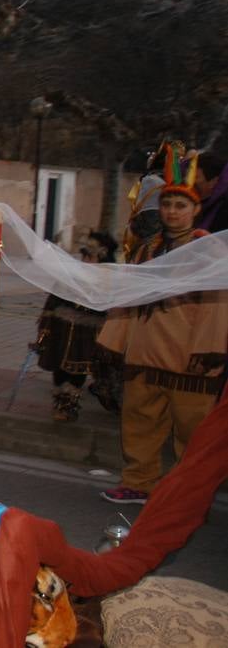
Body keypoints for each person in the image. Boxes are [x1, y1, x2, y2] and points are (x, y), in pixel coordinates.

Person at [96, 142, 228, 505]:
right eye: (167, 204)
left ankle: (188, 493)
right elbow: (129, 296)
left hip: (189, 356)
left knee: (192, 431)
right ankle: (138, 483)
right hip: (145, 351)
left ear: (195, 210)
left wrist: (210, 350)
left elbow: (218, 306)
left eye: (181, 206)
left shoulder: (211, 252)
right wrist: (114, 340)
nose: (172, 212)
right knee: (139, 423)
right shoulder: (145, 249)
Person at [34, 230, 118, 421]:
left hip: (86, 333)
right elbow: (53, 301)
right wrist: (45, 327)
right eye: (85, 256)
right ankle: (60, 402)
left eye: (91, 256)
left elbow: (109, 308)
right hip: (62, 330)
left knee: (77, 369)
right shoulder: (71, 274)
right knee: (59, 367)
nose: (86, 260)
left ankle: (69, 404)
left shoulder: (108, 279)